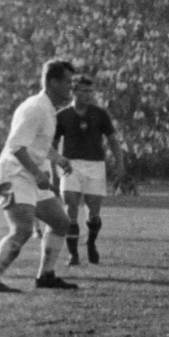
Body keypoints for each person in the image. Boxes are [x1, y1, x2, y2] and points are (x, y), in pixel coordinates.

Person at [0, 59, 79, 291]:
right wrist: (37, 172)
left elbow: (36, 143)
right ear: (53, 82)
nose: (70, 87)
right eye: (67, 82)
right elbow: (16, 145)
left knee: (60, 222)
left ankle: (46, 276)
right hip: (14, 174)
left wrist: (57, 157)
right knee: (22, 228)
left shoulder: (47, 109)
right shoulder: (35, 108)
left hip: (31, 176)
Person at [54, 75, 124, 266]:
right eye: (84, 91)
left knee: (94, 214)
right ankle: (73, 254)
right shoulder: (62, 115)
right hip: (71, 166)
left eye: (90, 91)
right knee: (71, 210)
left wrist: (120, 164)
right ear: (74, 92)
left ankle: (91, 243)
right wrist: (55, 162)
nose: (88, 95)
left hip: (95, 166)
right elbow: (50, 144)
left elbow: (112, 140)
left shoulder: (100, 114)